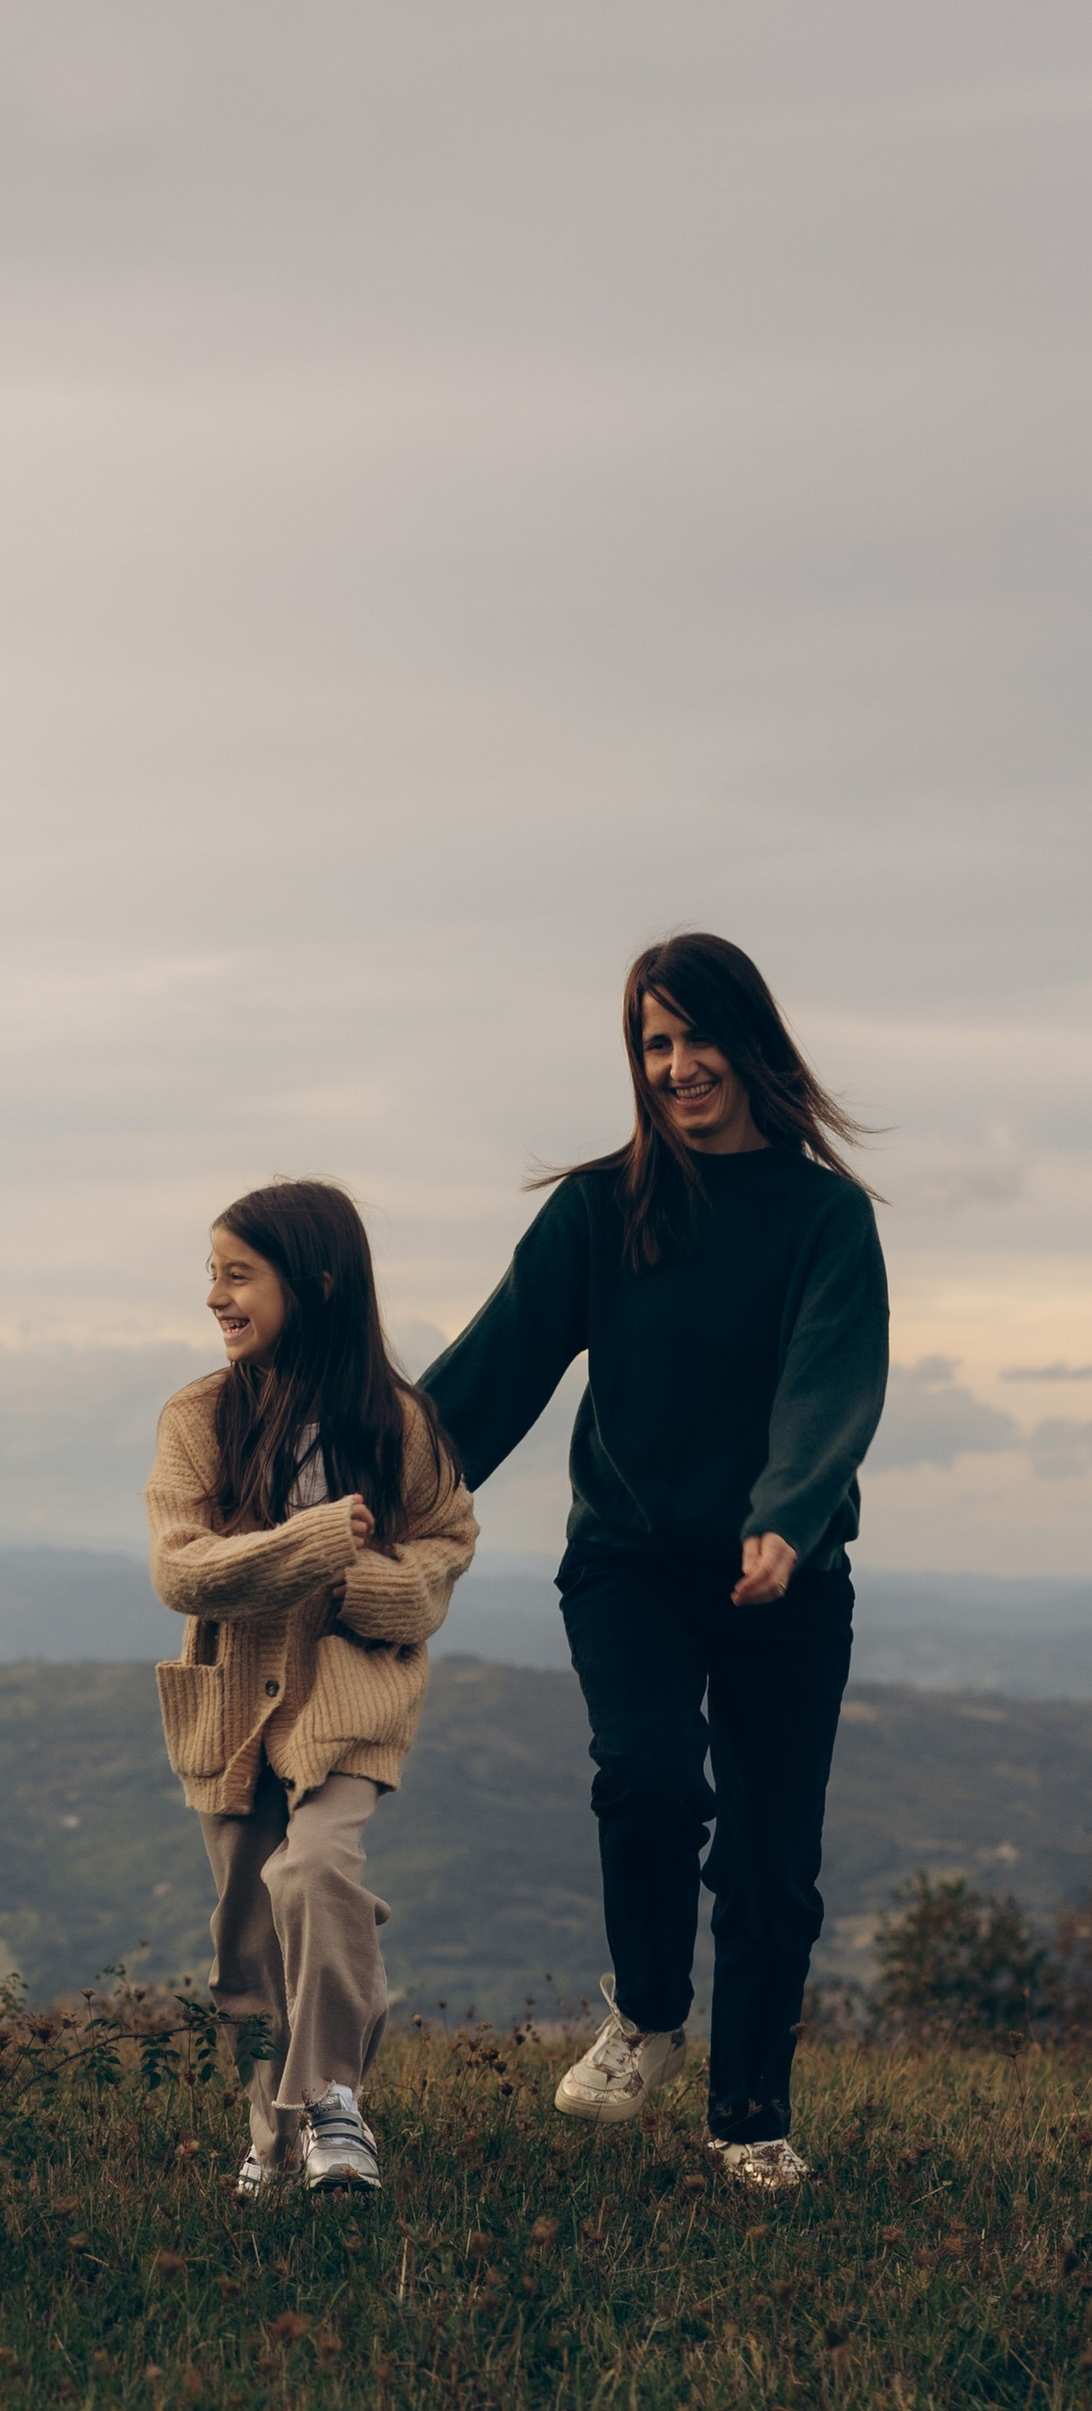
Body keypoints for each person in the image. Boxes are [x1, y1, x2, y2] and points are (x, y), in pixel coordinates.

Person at [422, 933, 887, 2193]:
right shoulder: (597, 1209)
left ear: (751, 1040)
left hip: (786, 1577)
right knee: (646, 1780)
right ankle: (644, 2016)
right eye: (652, 1043)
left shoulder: (823, 1218)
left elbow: (830, 1383)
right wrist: (369, 1490)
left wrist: (787, 1517)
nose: (677, 1066)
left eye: (695, 1036)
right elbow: (491, 1373)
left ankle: (747, 2118)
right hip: (628, 1560)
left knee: (771, 1865)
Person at [147, 1180, 478, 2199]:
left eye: (237, 1274)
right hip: (233, 1711)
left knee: (312, 1874)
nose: (215, 1295)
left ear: (318, 1285)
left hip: (347, 1705)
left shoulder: (398, 1422)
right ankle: (272, 2143)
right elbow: (181, 1571)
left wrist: (361, 1584)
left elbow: (444, 1551)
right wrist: (321, 1538)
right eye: (211, 1275)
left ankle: (336, 2099)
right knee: (244, 1945)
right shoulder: (199, 1416)